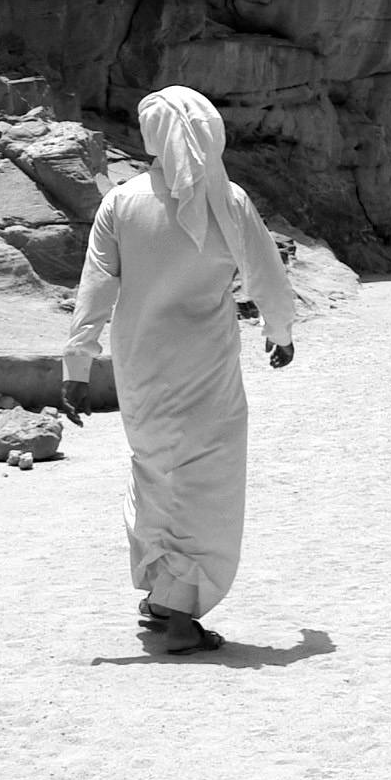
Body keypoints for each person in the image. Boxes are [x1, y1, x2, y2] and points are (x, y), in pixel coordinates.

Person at [56, 85, 298, 655]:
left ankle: (164, 593)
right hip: (206, 365)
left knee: (156, 470)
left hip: (139, 362)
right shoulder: (229, 201)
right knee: (205, 482)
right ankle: (180, 615)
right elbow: (266, 277)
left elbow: (95, 289)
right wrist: (279, 331)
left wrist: (76, 364)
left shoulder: (121, 201)